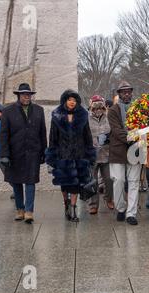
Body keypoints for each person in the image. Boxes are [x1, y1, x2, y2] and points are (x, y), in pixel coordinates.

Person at [46, 90, 96, 222]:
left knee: (75, 184)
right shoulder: (57, 116)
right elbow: (52, 137)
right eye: (69, 99)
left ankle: (73, 209)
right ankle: (66, 204)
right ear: (65, 101)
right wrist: (51, 155)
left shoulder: (82, 115)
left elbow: (88, 136)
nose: (72, 102)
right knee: (64, 185)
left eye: (74, 100)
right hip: (62, 156)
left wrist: (90, 154)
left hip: (79, 154)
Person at [0, 83, 47, 224]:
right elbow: (3, 135)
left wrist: (45, 151)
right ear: (18, 95)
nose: (27, 96)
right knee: (16, 182)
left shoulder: (39, 110)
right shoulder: (8, 111)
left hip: (33, 152)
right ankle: (20, 209)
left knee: (31, 182)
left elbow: (42, 132)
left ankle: (29, 211)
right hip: (15, 153)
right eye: (24, 94)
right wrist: (5, 154)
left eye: (29, 94)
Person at [108, 81, 141, 226]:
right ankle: (121, 208)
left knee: (134, 182)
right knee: (118, 180)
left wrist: (140, 137)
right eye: (124, 92)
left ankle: (131, 213)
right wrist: (132, 137)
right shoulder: (113, 110)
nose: (127, 94)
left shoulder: (139, 108)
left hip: (135, 150)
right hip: (118, 150)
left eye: (129, 91)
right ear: (119, 94)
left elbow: (143, 126)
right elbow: (116, 130)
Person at [87, 97, 114, 215]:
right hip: (92, 154)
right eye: (95, 106)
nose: (98, 109)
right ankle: (93, 205)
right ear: (91, 106)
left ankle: (108, 199)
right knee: (93, 181)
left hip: (106, 153)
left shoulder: (108, 117)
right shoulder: (86, 118)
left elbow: (113, 132)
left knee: (109, 179)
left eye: (100, 106)